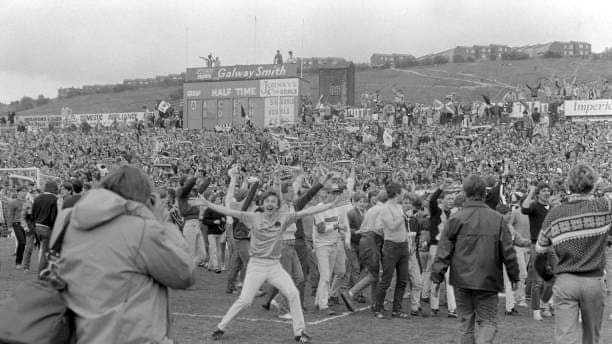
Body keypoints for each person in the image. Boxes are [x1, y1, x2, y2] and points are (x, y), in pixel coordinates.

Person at [50, 165, 196, 343]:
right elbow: (184, 274)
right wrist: (162, 222)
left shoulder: (66, 220)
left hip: (82, 334)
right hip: (130, 336)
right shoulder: (142, 229)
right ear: (145, 198)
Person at [205, 190, 344, 343]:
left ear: (277, 205)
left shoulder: (284, 218)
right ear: (262, 204)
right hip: (256, 265)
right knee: (245, 301)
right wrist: (207, 204)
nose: (270, 204)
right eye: (267, 201)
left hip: (274, 266)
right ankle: (220, 327)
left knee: (293, 294)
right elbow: (228, 211)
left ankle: (300, 332)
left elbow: (308, 211)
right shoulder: (253, 217)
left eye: (273, 201)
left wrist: (330, 205)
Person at [432, 174, 520, 344]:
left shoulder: (455, 219)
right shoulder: (497, 219)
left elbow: (444, 251)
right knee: (487, 322)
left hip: (462, 278)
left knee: (466, 324)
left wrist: (436, 277)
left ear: (465, 193)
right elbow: (508, 251)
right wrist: (514, 275)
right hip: (487, 278)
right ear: (484, 193)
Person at [535, 164, 612, 344]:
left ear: (568, 185)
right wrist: (604, 187)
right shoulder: (603, 206)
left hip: (566, 279)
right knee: (591, 338)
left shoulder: (554, 214)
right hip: (593, 280)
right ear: (592, 184)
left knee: (564, 338)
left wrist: (547, 276)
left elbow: (540, 252)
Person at [372, 183, 410, 319]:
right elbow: (392, 226)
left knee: (402, 280)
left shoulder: (398, 207)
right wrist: (402, 216)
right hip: (391, 246)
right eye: (401, 193)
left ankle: (396, 310)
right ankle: (377, 308)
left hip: (403, 246)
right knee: (386, 279)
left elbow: (402, 228)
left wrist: (408, 243)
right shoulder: (385, 209)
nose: (403, 195)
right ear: (396, 194)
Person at [521, 182, 552, 321]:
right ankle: (536, 310)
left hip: (552, 246)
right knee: (537, 280)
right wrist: (531, 192)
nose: (546, 192)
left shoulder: (552, 207)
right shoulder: (533, 205)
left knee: (555, 277)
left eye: (548, 190)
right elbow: (524, 208)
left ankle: (544, 304)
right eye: (543, 190)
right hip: (537, 246)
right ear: (539, 193)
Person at [32, 180, 59, 273]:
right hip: (47, 228)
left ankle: (43, 270)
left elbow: (33, 214)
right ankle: (42, 273)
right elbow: (53, 217)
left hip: (37, 227)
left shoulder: (37, 198)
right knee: (46, 252)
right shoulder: (54, 199)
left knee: (42, 249)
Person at [6, 188, 25, 268]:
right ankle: (18, 262)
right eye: (22, 191)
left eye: (24, 191)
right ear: (18, 192)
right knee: (22, 242)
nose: (23, 193)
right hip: (16, 224)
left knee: (24, 243)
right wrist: (9, 226)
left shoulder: (26, 202)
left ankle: (20, 260)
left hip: (25, 224)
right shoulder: (13, 202)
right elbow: (10, 215)